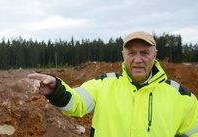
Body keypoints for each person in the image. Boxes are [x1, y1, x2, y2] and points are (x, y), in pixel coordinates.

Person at [28, 31, 198, 137]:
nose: (138, 59)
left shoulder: (182, 97)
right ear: (123, 55)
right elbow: (76, 102)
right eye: (132, 53)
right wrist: (56, 89)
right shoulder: (104, 84)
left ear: (155, 55)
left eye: (145, 53)